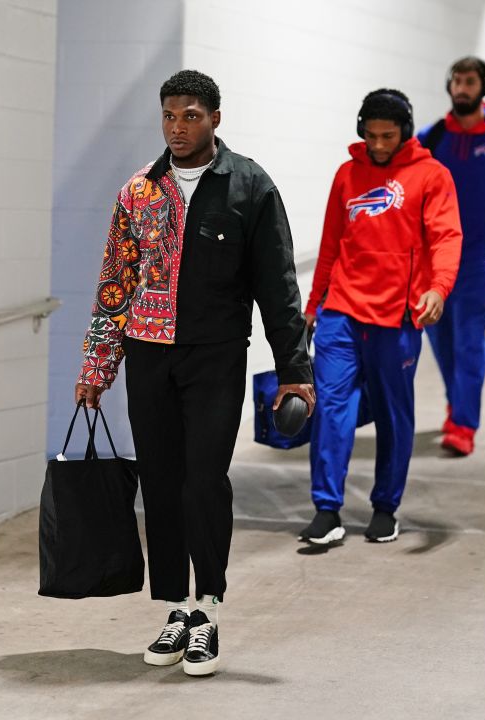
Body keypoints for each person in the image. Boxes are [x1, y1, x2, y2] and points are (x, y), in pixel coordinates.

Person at [73, 70, 314, 676]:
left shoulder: (249, 186)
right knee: (160, 481)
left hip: (215, 355)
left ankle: (207, 612)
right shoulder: (138, 191)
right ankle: (175, 607)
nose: (177, 128)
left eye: (189, 116)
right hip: (148, 354)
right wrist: (97, 366)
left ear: (214, 119)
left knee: (203, 480)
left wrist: (295, 370)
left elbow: (278, 287)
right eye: (168, 117)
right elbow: (114, 284)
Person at [299, 89, 462, 545]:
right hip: (342, 313)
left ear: (405, 131)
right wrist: (314, 306)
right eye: (370, 135)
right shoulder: (348, 175)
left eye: (388, 135)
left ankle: (385, 507)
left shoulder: (432, 176)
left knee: (394, 414)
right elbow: (331, 243)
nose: (379, 144)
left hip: (397, 317)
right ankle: (327, 510)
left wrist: (438, 287)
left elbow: (447, 237)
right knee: (331, 409)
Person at [416, 57, 485, 456]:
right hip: (434, 262)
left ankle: (463, 425)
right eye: (457, 82)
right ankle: (457, 404)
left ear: (483, 85)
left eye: (470, 82)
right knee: (442, 341)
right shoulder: (431, 139)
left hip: (482, 259)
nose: (462, 89)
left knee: (469, 341)